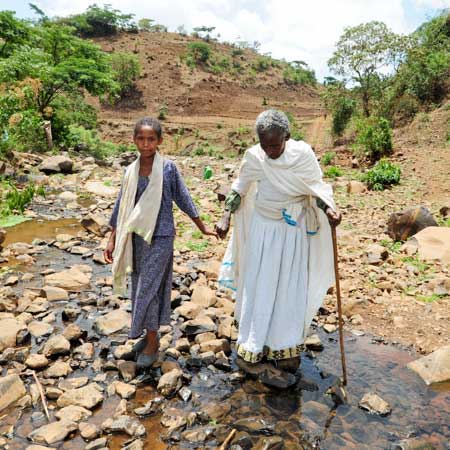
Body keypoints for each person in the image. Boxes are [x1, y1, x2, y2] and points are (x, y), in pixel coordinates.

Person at [216, 109, 341, 372]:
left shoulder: (302, 155)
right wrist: (225, 217)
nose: (270, 150)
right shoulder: (254, 157)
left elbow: (315, 188)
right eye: (265, 144)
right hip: (262, 229)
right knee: (259, 284)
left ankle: (284, 345)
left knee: (288, 286)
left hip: (291, 231)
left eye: (274, 144)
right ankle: (253, 342)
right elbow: (240, 188)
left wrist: (329, 209)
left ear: (287, 136)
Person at [104, 117, 216, 369]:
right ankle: (148, 335)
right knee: (143, 285)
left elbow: (183, 197)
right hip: (136, 236)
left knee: (148, 287)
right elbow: (122, 206)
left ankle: (152, 341)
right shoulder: (130, 171)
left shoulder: (168, 168)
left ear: (159, 141)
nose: (145, 144)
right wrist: (111, 238)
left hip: (162, 235)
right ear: (134, 140)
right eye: (141, 139)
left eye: (151, 139)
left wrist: (202, 226)